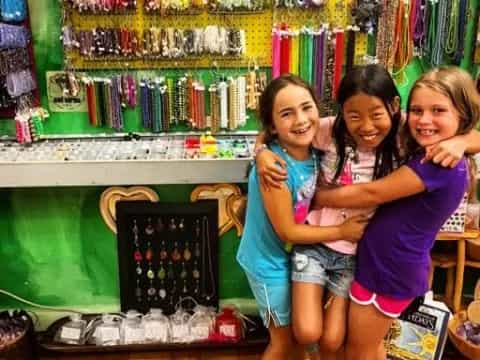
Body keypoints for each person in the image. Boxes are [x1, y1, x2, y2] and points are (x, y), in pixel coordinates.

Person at [255, 64, 480, 359]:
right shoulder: (347, 133)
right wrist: (261, 151)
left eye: (438, 111)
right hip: (352, 256)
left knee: (353, 348)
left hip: (377, 265)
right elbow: (285, 133)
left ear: (393, 107)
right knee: (344, 343)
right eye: (418, 111)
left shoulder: (426, 152)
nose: (424, 120)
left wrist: (315, 197)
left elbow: (369, 193)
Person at [236, 74, 368, 360]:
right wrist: (342, 232)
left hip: (295, 256)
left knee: (299, 340)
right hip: (266, 265)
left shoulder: (314, 150)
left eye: (307, 107)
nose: (301, 119)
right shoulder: (275, 170)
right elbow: (289, 232)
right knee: (282, 344)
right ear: (273, 125)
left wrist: (258, 149)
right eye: (287, 113)